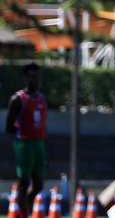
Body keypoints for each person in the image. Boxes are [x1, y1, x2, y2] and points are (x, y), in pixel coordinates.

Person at [5, 62, 48, 218]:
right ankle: (23, 215)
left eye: (36, 77)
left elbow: (43, 124)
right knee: (24, 183)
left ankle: (27, 209)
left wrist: (44, 145)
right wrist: (22, 137)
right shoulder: (18, 99)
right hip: (24, 143)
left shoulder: (42, 99)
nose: (34, 80)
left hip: (39, 143)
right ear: (25, 79)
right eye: (30, 77)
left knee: (38, 185)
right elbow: (9, 126)